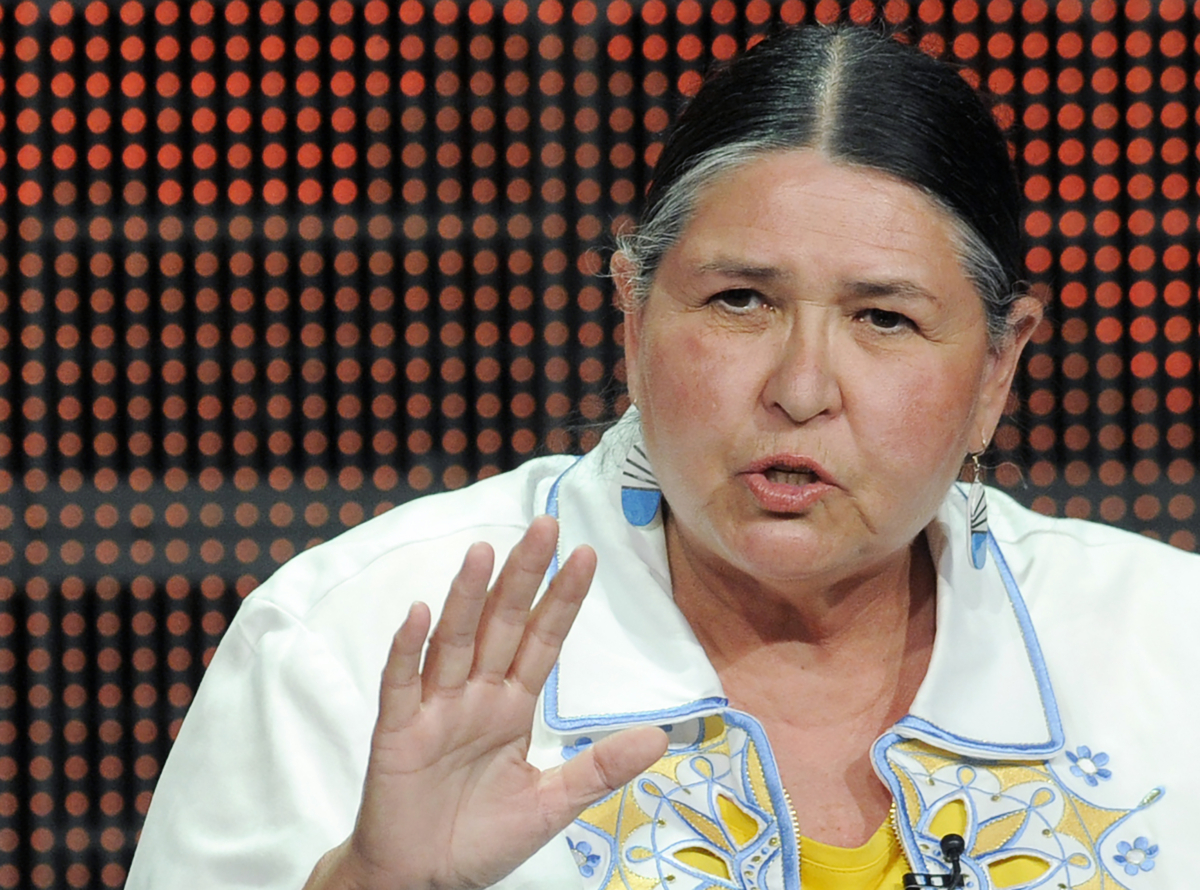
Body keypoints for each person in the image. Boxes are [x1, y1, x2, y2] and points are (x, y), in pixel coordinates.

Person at [126, 25, 1200, 890]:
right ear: (634, 316)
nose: (801, 386)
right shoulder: (350, 646)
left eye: (882, 318)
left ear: (1000, 366)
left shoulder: (1169, 651)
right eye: (740, 300)